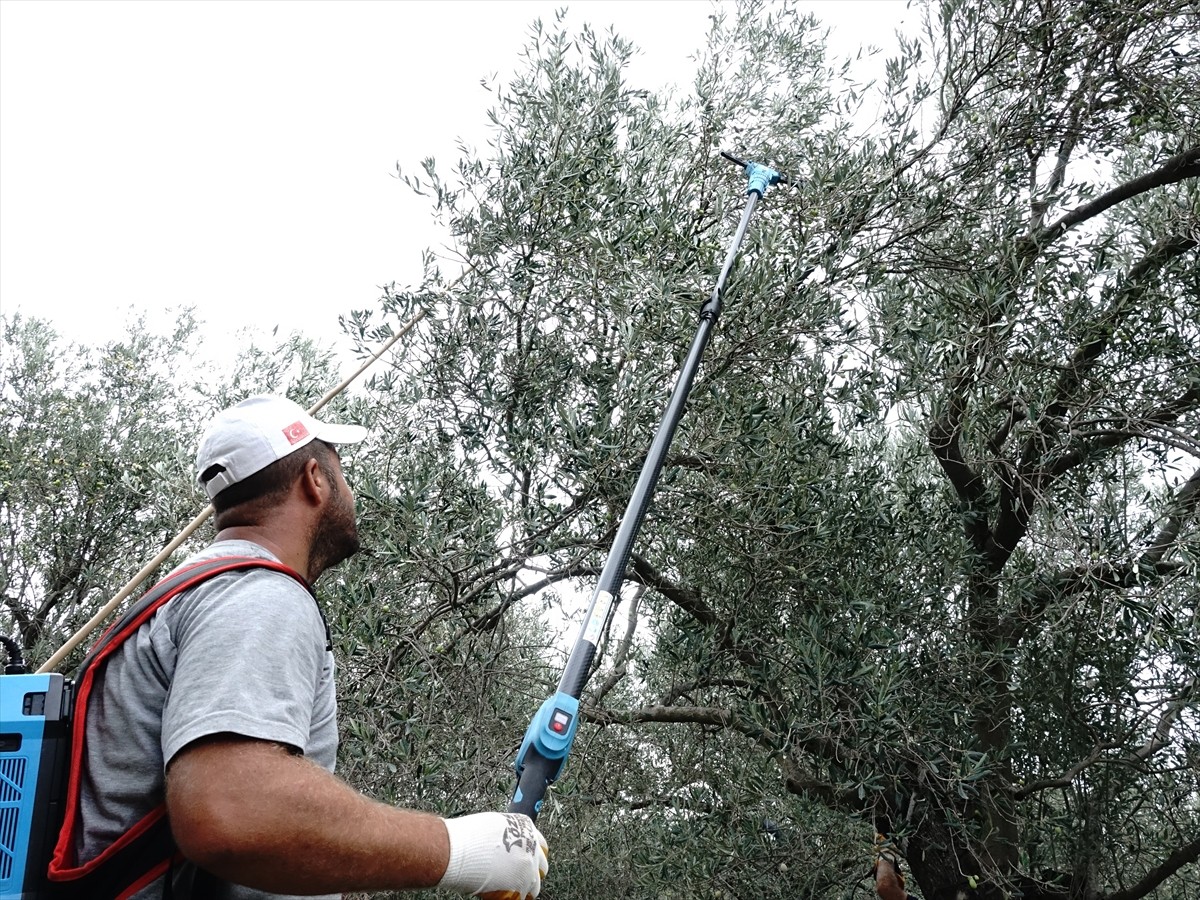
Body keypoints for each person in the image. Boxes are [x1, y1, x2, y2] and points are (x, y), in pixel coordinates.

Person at [70, 394, 549, 899]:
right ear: (315, 478)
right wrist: (462, 850)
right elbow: (231, 810)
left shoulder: (189, 593)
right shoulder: (258, 594)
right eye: (342, 469)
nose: (350, 487)